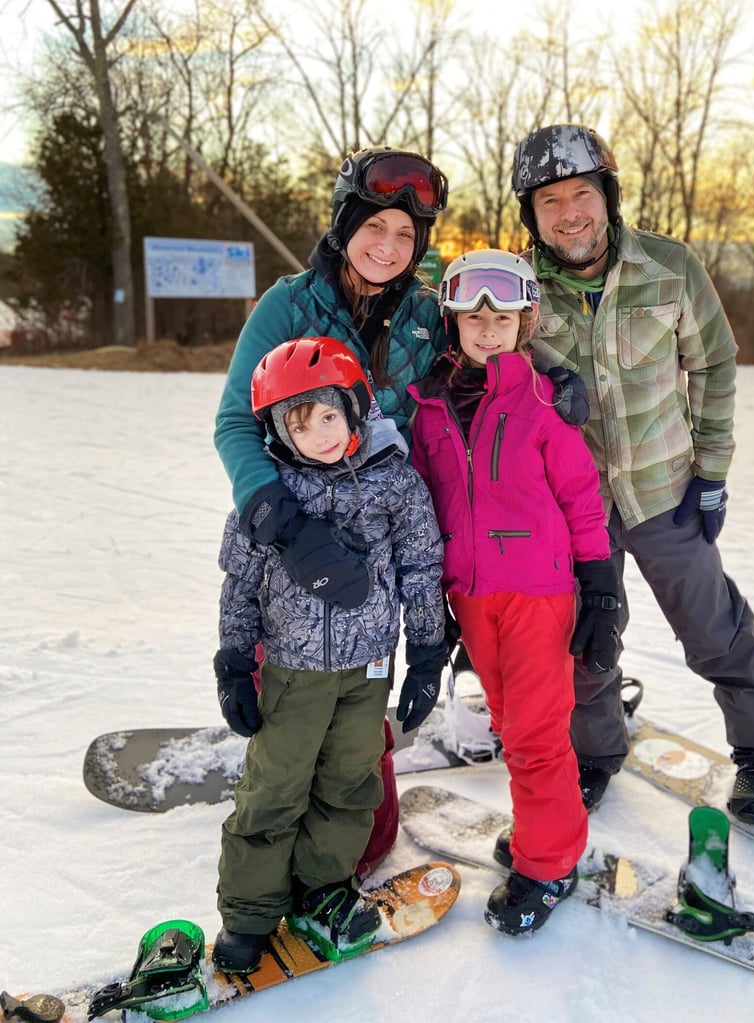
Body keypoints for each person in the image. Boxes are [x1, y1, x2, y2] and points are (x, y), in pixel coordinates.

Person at [510, 124, 754, 828]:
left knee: (713, 626)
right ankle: (593, 751)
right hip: (573, 503)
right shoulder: (517, 288)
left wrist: (712, 472)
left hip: (664, 491)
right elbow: (488, 366)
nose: (569, 212)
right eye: (549, 201)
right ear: (533, 214)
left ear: (607, 196)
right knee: (583, 636)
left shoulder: (668, 267)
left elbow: (713, 364)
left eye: (582, 193)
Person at [214, 147, 451, 873]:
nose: (388, 246)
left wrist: (541, 377)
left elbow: (475, 367)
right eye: (375, 226)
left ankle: (330, 839)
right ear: (346, 223)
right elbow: (233, 423)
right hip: (293, 542)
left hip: (380, 557)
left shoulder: (424, 314)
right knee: (292, 729)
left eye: (406, 236)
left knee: (369, 835)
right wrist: (281, 524)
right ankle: (268, 824)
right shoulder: (289, 305)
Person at [212, 336, 447, 973]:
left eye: (327, 415)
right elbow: (241, 582)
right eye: (297, 421)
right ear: (276, 431)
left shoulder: (394, 484)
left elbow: (422, 568)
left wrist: (427, 651)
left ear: (354, 408)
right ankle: (251, 910)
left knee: (349, 785)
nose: (316, 433)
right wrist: (234, 660)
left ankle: (323, 889)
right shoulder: (270, 499)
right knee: (274, 788)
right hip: (290, 672)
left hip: (369, 670)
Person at [408, 250, 621, 935]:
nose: (489, 328)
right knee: (509, 725)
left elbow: (582, 497)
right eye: (475, 316)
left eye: (503, 316)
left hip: (537, 593)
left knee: (535, 734)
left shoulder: (543, 401)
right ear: (453, 322)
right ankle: (543, 832)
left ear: (526, 322)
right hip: (470, 594)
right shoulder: (429, 408)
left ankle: (550, 861)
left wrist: (600, 581)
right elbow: (425, 504)